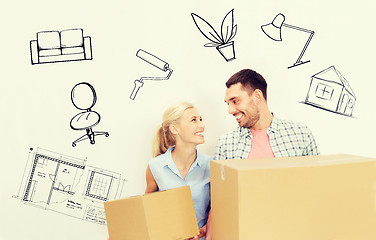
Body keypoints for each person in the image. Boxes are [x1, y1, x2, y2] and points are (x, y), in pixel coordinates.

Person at [215, 68, 319, 160]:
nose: (230, 111)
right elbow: (221, 182)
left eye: (235, 101)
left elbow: (317, 177)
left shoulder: (300, 134)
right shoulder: (225, 144)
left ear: (257, 96)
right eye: (228, 103)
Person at [145, 102, 212, 240]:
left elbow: (219, 209)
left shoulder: (212, 165)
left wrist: (205, 230)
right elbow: (147, 210)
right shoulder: (155, 166)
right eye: (194, 120)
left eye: (200, 119)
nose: (201, 125)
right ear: (175, 129)